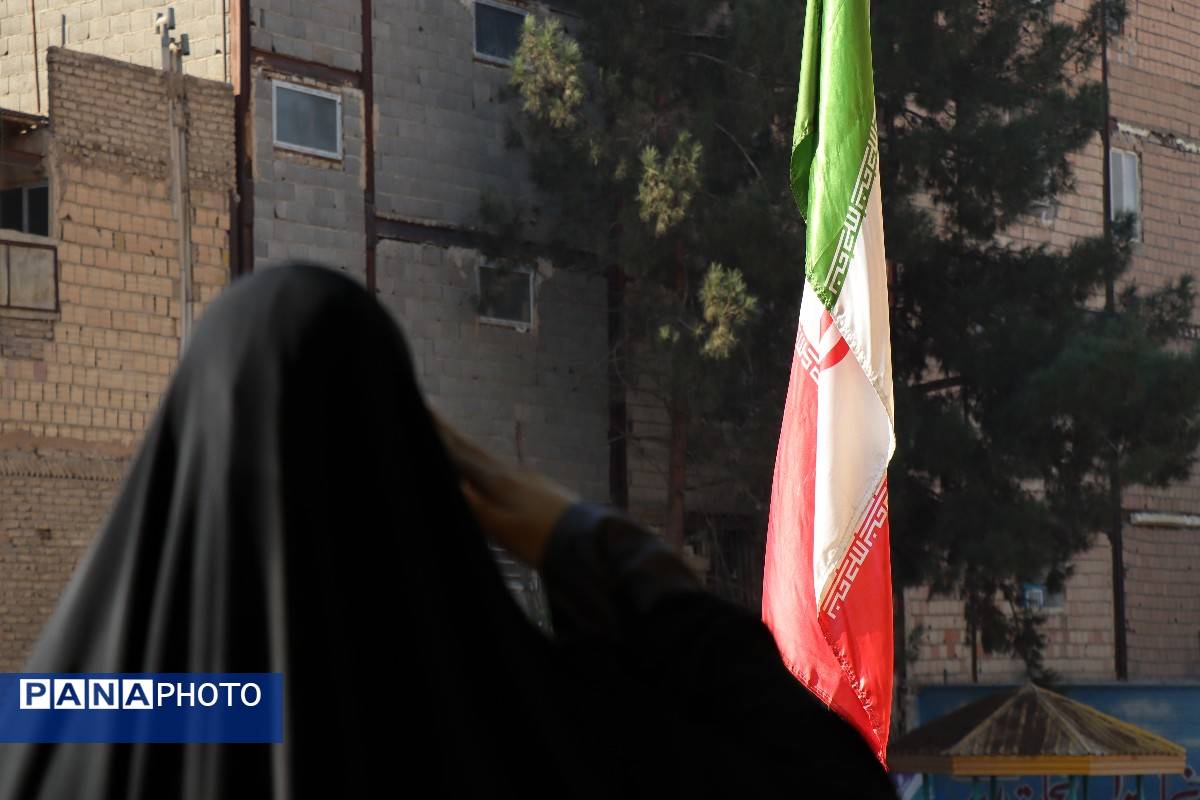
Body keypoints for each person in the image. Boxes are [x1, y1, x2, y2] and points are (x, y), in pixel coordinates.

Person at [0, 264, 896, 798]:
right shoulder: (515, 725)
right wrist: (594, 548)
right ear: (407, 470)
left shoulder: (62, 726)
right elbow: (832, 784)